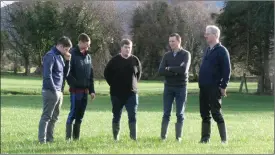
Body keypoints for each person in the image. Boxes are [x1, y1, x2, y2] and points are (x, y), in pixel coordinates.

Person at [104, 39, 142, 141]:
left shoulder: (135, 60)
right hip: (117, 94)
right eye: (125, 47)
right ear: (121, 48)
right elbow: (107, 74)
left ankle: (133, 138)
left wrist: (133, 84)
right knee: (116, 115)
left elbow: (138, 75)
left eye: (129, 47)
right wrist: (114, 85)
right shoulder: (114, 60)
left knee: (132, 115)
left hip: (131, 94)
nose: (127, 49)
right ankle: (115, 138)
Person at [198, 25, 231, 144]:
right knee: (204, 114)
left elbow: (227, 70)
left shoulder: (222, 51)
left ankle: (224, 140)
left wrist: (223, 86)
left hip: (214, 87)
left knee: (216, 113)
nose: (205, 35)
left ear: (215, 35)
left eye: (207, 33)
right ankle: (205, 139)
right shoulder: (207, 50)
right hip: (204, 88)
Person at [38, 36, 72, 144]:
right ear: (60, 46)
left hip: (59, 91)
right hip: (50, 91)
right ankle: (42, 141)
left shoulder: (60, 56)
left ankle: (50, 139)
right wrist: (54, 91)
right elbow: (47, 76)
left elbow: (64, 75)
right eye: (66, 49)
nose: (67, 52)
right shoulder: (50, 56)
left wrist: (67, 62)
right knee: (46, 117)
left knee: (54, 118)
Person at [158, 33, 191, 142]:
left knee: (179, 113)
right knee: (166, 112)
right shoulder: (167, 55)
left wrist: (169, 68)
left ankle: (178, 137)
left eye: (173, 41)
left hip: (181, 87)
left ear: (179, 41)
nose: (171, 43)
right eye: (170, 41)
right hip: (168, 87)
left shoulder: (186, 54)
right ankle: (163, 136)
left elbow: (184, 70)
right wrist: (175, 70)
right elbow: (161, 71)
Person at [65, 33, 96, 141]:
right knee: (73, 112)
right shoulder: (71, 54)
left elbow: (91, 75)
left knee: (81, 114)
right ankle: (68, 138)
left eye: (89, 45)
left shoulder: (88, 57)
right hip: (75, 90)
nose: (87, 47)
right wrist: (74, 84)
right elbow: (67, 73)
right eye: (86, 45)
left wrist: (92, 90)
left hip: (85, 91)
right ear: (80, 42)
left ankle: (76, 138)